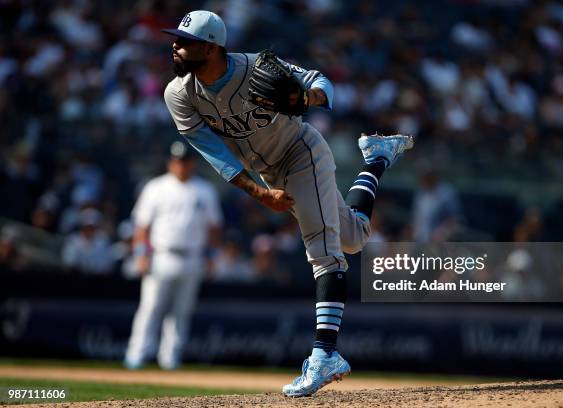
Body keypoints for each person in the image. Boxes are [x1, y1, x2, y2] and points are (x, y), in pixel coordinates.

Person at [160, 10, 413, 396]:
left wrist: (307, 96)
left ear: (211, 48)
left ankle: (325, 355)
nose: (176, 45)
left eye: (185, 40)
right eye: (176, 39)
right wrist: (259, 192)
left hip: (301, 152)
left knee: (324, 254)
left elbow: (319, 81)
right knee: (353, 237)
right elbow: (214, 153)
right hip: (267, 173)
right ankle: (377, 158)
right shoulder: (179, 94)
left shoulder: (253, 67)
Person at [124, 140, 223, 370]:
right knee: (150, 308)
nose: (181, 165)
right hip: (161, 256)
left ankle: (170, 358)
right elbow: (141, 227)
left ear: (193, 163)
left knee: (181, 312)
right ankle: (136, 355)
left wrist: (211, 256)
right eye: (177, 161)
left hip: (192, 257)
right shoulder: (155, 187)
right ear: (170, 162)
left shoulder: (204, 190)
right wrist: (141, 254)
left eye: (185, 161)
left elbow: (215, 228)